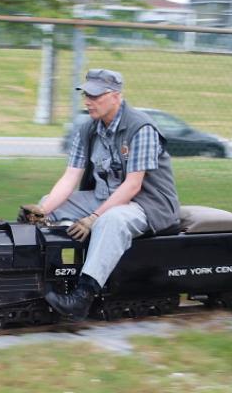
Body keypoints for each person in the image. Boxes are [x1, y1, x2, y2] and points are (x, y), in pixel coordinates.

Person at [19, 68, 180, 319]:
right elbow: (71, 175)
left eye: (95, 96)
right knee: (49, 207)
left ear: (116, 96)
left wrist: (93, 217)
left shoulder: (141, 128)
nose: (88, 102)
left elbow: (133, 186)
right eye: (86, 95)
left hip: (147, 204)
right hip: (105, 197)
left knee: (110, 221)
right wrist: (43, 211)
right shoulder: (87, 129)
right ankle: (46, 277)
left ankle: (82, 296)